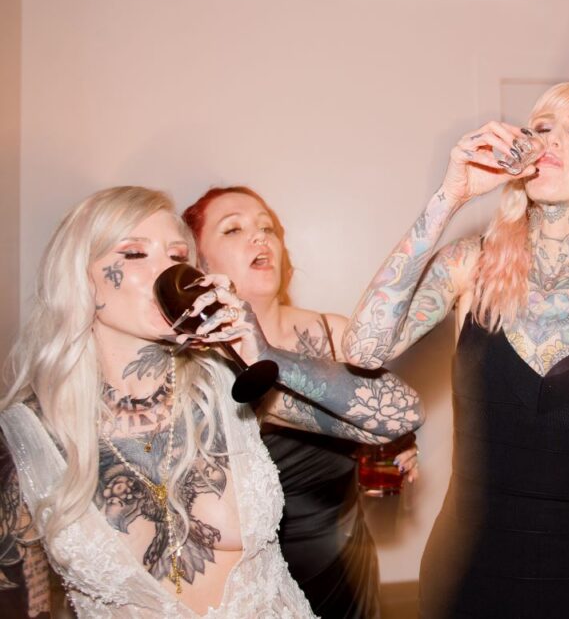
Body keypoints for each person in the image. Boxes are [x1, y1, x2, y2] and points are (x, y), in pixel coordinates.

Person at [340, 82, 569, 618]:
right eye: (542, 126)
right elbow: (363, 348)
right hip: (465, 578)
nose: (551, 138)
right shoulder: (470, 266)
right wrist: (449, 198)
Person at [0, 186, 423, 617]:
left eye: (176, 256)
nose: (165, 271)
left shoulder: (226, 386)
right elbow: (24, 600)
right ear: (80, 277)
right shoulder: (24, 439)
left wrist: (266, 356)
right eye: (135, 253)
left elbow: (400, 415)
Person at [183, 186, 419, 618]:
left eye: (267, 228)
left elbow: (391, 413)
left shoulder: (334, 335)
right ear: (199, 265)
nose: (260, 238)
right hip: (243, 585)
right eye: (233, 229)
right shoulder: (191, 365)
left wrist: (395, 441)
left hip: (346, 568)